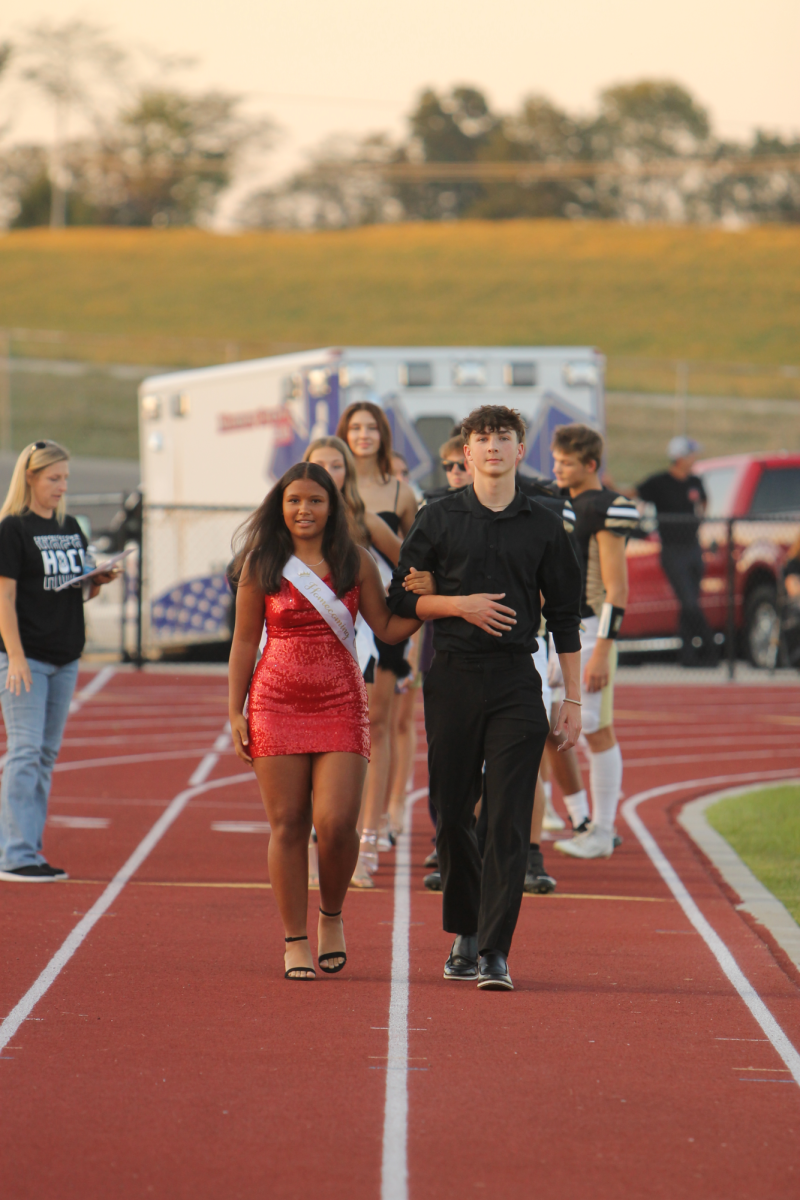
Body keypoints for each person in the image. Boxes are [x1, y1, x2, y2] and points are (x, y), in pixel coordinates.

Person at [389, 405, 583, 991]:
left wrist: (570, 697)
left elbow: (567, 618)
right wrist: (458, 603)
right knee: (452, 816)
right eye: (482, 438)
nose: (493, 446)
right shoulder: (438, 517)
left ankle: (495, 950)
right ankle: (464, 934)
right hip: (451, 676)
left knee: (506, 818)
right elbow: (401, 603)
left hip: (516, 680)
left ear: (521, 450)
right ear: (466, 453)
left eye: (504, 437)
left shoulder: (546, 524)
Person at [227, 462, 420, 980]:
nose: (304, 510)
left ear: (332, 506)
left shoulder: (354, 560)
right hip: (275, 702)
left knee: (336, 825)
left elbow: (386, 626)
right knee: (289, 824)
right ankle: (294, 940)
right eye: (294, 501)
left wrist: (429, 603)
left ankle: (331, 916)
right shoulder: (262, 562)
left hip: (340, 698)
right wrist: (235, 710)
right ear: (280, 506)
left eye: (315, 501)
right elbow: (245, 640)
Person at [0, 440, 119, 882]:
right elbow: (4, 598)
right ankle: (14, 854)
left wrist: (99, 579)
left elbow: (78, 588)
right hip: (24, 656)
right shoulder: (12, 529)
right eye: (54, 478)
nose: (61, 486)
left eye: (65, 478)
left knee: (45, 755)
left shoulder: (71, 528)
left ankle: (28, 849)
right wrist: (14, 656)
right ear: (30, 477)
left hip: (65, 654)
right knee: (25, 751)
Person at [303, 435, 401, 883]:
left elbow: (414, 567)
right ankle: (309, 846)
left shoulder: (366, 521)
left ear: (348, 472)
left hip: (360, 646)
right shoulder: (286, 525)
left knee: (365, 741)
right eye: (320, 464)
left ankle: (365, 842)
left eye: (337, 466)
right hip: (298, 656)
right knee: (303, 748)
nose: (330, 472)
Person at [545, 424, 639, 860]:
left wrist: (603, 647)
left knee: (597, 732)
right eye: (556, 459)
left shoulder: (605, 508)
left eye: (566, 462)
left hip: (587, 628)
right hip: (554, 631)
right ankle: (582, 817)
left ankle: (602, 830)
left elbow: (616, 589)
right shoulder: (558, 500)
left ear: (590, 465)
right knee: (549, 728)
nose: (557, 468)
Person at [335, 403, 418, 872]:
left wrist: (414, 642)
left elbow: (414, 567)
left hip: (382, 625)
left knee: (378, 726)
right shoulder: (322, 488)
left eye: (371, 428)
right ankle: (326, 833)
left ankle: (371, 833)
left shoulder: (401, 493)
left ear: (383, 435)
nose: (363, 435)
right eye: (355, 428)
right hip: (329, 620)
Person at [637, 436, 717, 666]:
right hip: (672, 550)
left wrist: (699, 518)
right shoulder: (660, 482)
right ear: (680, 458)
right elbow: (635, 493)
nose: (694, 460)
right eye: (691, 455)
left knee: (689, 603)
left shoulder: (694, 480)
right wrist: (610, 486)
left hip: (693, 548)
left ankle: (687, 655)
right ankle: (712, 651)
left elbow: (704, 500)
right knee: (690, 602)